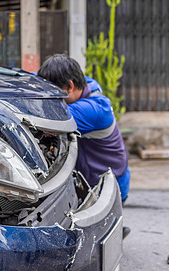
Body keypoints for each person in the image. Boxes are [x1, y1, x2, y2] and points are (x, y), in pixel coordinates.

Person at [38, 54, 130, 203]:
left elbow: (44, 121)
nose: (50, 98)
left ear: (70, 86)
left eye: (53, 93)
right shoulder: (88, 84)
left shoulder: (91, 110)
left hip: (105, 186)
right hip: (97, 173)